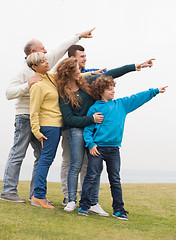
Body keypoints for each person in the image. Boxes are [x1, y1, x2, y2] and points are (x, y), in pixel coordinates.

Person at [0, 28, 95, 203]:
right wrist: (26, 85)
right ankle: (8, 191)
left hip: (41, 119)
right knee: (18, 153)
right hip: (25, 116)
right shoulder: (23, 71)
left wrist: (79, 36)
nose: (46, 52)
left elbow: (60, 49)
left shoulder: (47, 68)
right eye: (42, 49)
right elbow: (8, 93)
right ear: (32, 53)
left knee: (42, 156)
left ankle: (36, 194)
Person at [56, 57, 154, 213]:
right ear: (69, 72)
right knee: (75, 165)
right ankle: (71, 200)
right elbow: (69, 119)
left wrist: (135, 66)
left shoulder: (86, 83)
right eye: (77, 69)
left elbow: (112, 73)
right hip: (76, 129)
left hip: (93, 128)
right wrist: (91, 119)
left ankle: (92, 203)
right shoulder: (63, 93)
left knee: (92, 168)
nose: (80, 71)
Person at [78, 76, 167, 219]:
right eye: (109, 88)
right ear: (101, 91)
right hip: (97, 149)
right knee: (91, 177)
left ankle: (118, 210)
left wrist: (154, 91)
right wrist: (91, 144)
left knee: (115, 180)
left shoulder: (121, 105)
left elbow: (137, 98)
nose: (113, 90)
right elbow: (88, 130)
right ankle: (84, 206)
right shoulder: (94, 108)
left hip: (114, 150)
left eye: (113, 87)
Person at [60, 44, 107, 216]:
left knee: (88, 165)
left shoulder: (87, 78)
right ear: (72, 60)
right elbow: (69, 118)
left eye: (85, 56)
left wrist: (134, 67)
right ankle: (68, 198)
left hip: (88, 128)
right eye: (81, 57)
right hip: (70, 129)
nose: (84, 59)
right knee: (71, 163)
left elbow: (107, 73)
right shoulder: (64, 87)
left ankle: (86, 200)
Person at [26, 52, 63, 209]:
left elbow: (66, 76)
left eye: (46, 60)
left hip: (57, 125)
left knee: (47, 160)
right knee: (45, 160)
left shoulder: (51, 77)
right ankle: (38, 196)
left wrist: (91, 73)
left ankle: (40, 195)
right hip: (49, 127)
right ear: (34, 67)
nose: (47, 62)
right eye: (42, 62)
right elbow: (33, 111)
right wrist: (37, 132)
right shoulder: (38, 86)